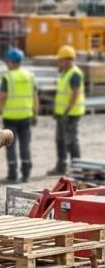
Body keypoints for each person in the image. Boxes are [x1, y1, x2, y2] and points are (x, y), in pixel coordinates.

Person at [0, 48, 38, 184]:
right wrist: (35, 113)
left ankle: (12, 175)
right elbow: (35, 96)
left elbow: (2, 97)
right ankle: (26, 174)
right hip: (26, 116)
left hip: (11, 118)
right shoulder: (30, 76)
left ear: (10, 62)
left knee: (11, 146)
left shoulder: (8, 77)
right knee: (25, 146)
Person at [49, 45, 84, 175]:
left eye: (61, 60)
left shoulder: (74, 74)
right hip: (62, 113)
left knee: (71, 141)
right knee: (60, 140)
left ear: (67, 60)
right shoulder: (65, 73)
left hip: (70, 113)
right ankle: (61, 166)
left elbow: (75, 93)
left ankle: (77, 169)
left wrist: (67, 111)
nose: (60, 63)